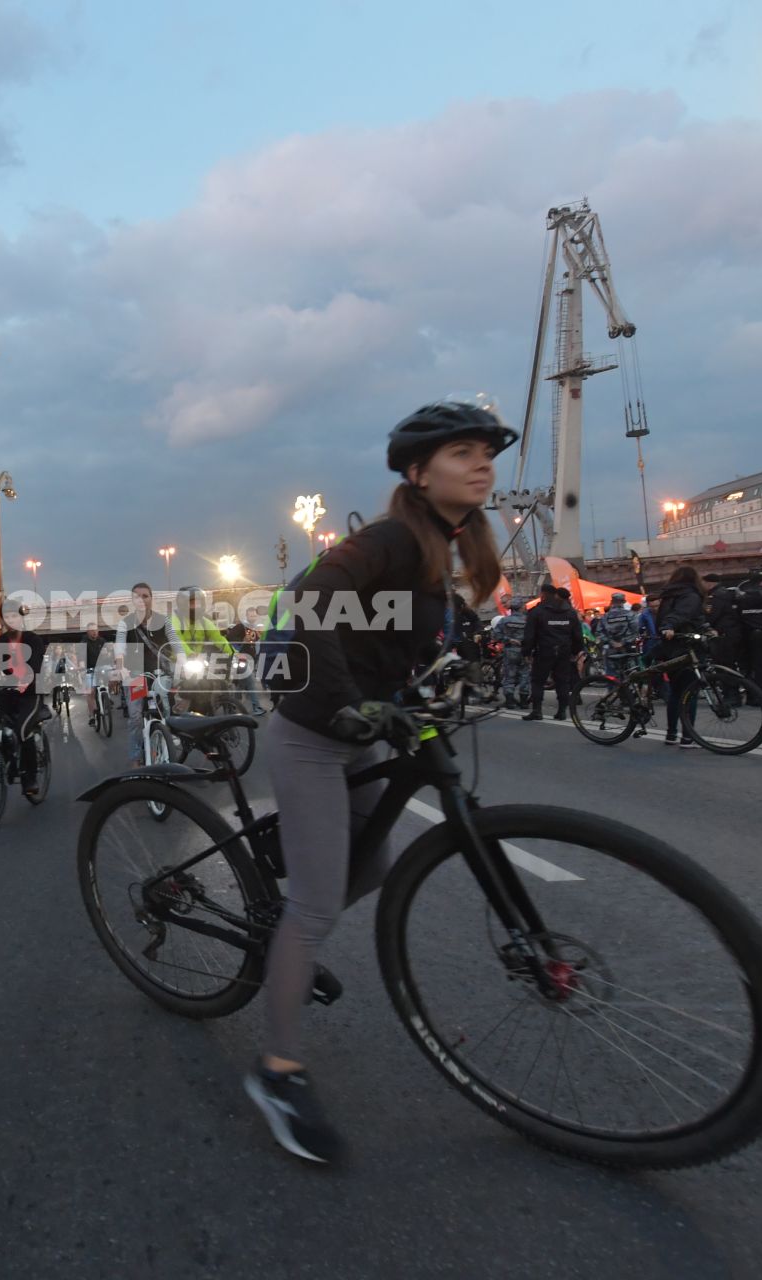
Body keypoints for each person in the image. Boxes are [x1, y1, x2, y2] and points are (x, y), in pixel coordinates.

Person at [250, 397, 513, 1166]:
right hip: (312, 730)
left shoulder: (451, 544)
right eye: (463, 452)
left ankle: (291, 918)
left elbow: (413, 633)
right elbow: (310, 602)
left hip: (362, 724)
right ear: (417, 471)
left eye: (486, 451)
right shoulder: (394, 535)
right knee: (317, 901)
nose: (482, 463)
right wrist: (348, 704)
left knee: (378, 863)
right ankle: (276, 1072)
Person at [0, 595, 51, 788]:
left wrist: (26, 678)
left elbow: (35, 664)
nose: (10, 621)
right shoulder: (1, 641)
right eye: (6, 617)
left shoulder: (33, 640)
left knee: (22, 730)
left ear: (21, 618)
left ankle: (30, 777)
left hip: (30, 693)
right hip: (9, 691)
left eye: (14, 616)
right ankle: (10, 762)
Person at [113, 582, 178, 765]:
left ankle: (169, 740)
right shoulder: (125, 623)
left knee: (168, 709)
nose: (141, 600)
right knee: (135, 717)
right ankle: (136, 756)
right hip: (135, 675)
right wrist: (120, 666)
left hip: (161, 672)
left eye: (145, 596)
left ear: (151, 598)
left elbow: (176, 643)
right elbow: (120, 647)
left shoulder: (164, 620)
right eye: (137, 596)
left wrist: (182, 660)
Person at [654, 566, 707, 749]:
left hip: (671, 647)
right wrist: (670, 625)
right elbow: (682, 615)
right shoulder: (690, 595)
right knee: (689, 692)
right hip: (687, 646)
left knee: (676, 693)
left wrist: (666, 628)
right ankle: (687, 736)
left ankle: (671, 734)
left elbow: (663, 617)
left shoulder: (669, 595)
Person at [170, 584, 234, 714]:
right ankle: (178, 713)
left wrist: (233, 652)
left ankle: (209, 709)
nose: (197, 606)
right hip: (177, 661)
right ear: (183, 604)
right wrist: (189, 654)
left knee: (212, 682)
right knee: (182, 688)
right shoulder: (174, 620)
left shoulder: (204, 621)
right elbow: (177, 640)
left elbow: (219, 639)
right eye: (193, 603)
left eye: (199, 603)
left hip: (197, 662)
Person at [521, 584, 582, 721]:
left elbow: (529, 635)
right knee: (562, 681)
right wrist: (576, 651)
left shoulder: (537, 611)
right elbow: (577, 634)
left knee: (538, 681)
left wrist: (526, 652)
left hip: (544, 650)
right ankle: (561, 711)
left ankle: (537, 711)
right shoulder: (570, 612)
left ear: (543, 594)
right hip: (564, 651)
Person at [496, 597, 531, 709]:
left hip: (510, 650)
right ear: (521, 607)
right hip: (525, 651)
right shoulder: (528, 621)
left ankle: (510, 701)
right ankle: (524, 701)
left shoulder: (504, 620)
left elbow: (496, 634)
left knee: (509, 675)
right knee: (525, 675)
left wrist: (508, 640)